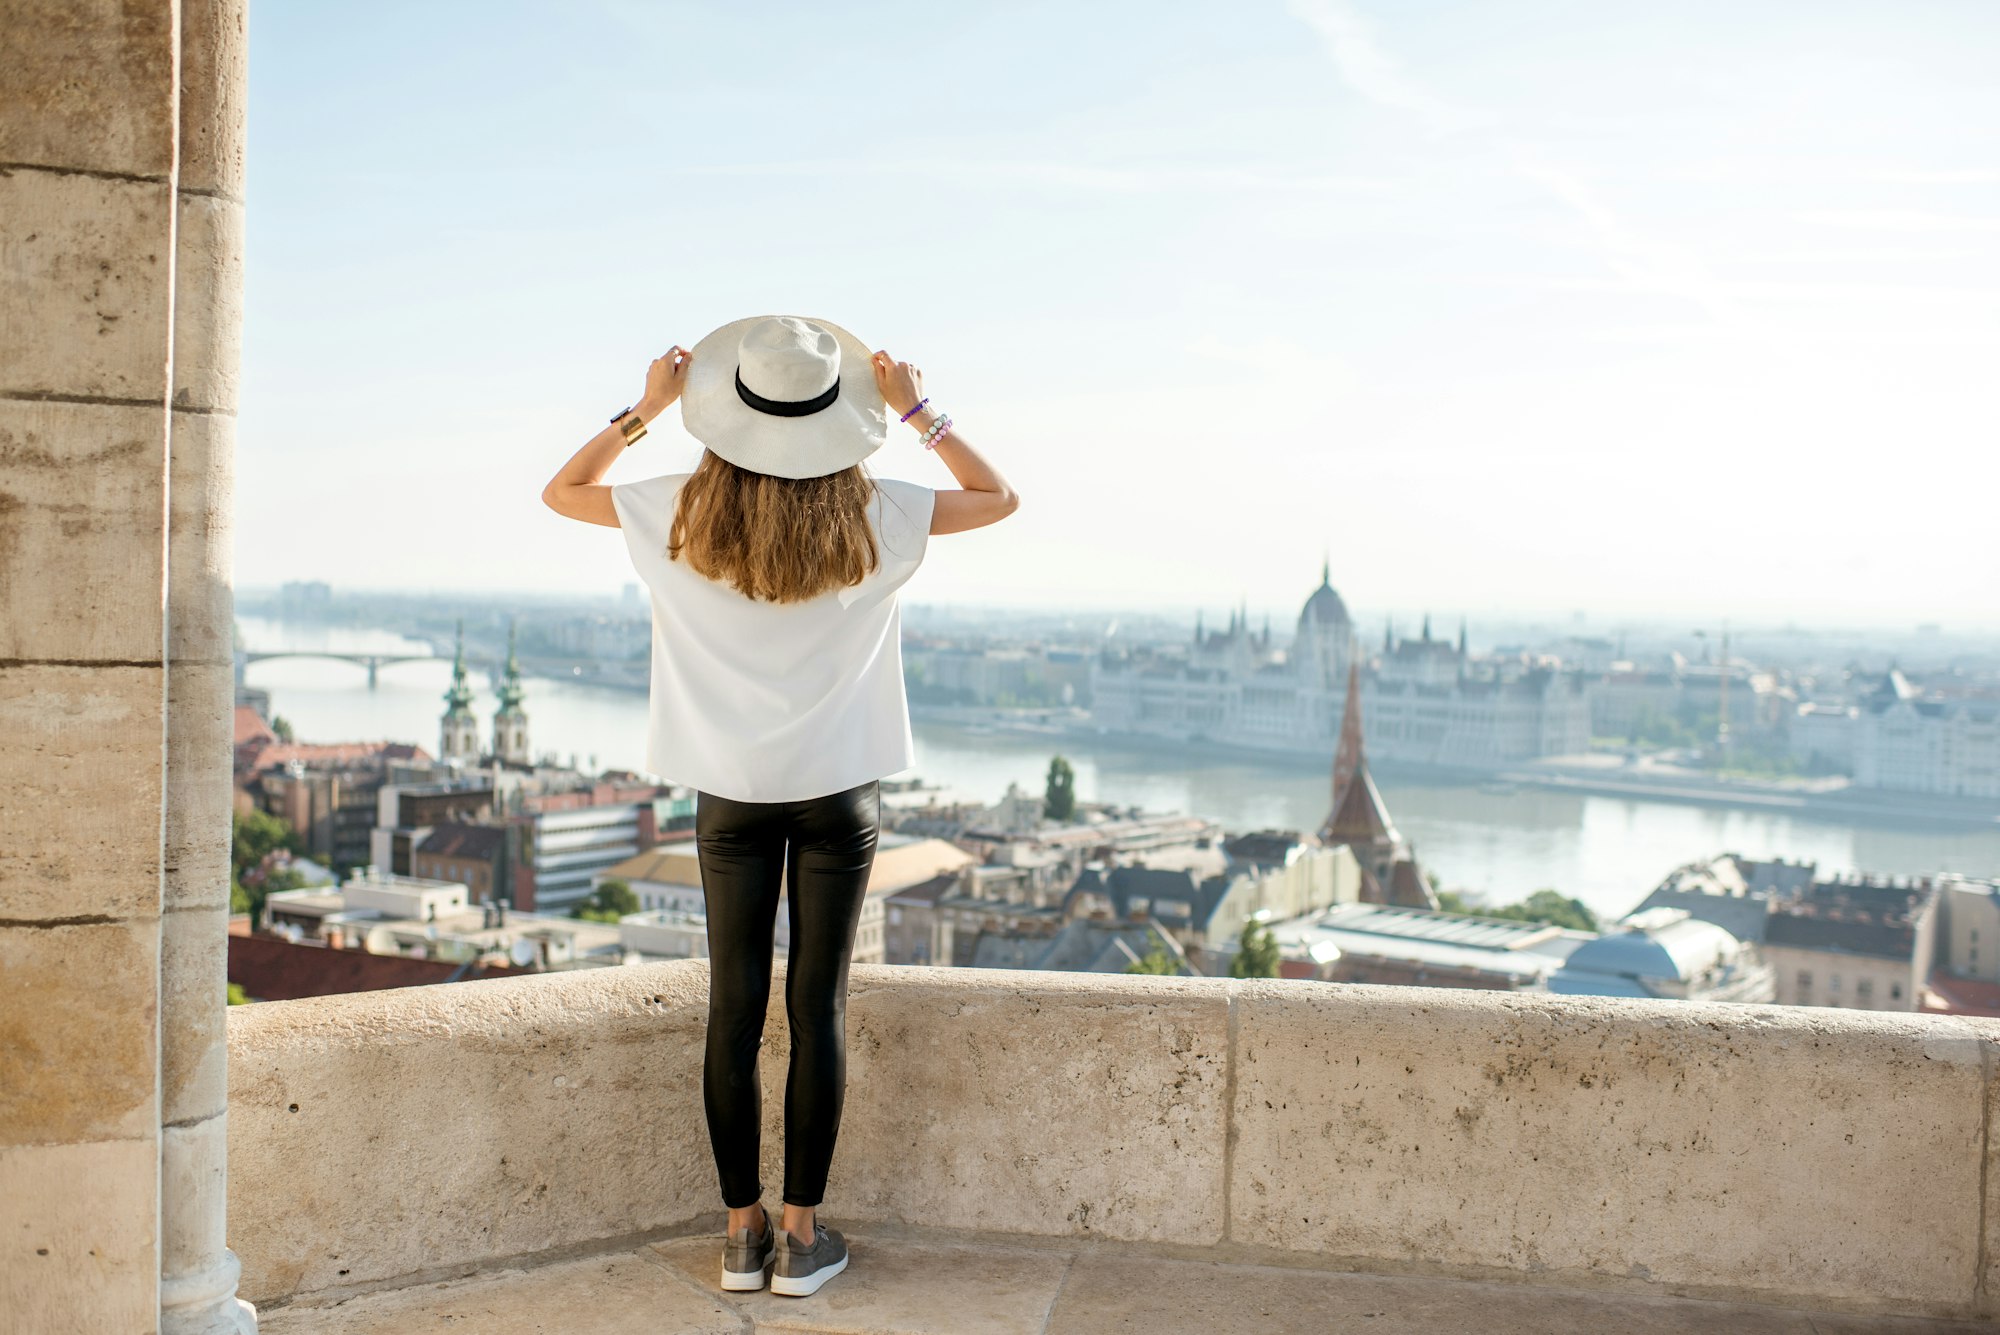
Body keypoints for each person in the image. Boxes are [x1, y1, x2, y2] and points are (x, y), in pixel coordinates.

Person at [540, 314, 1020, 1298]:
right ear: (839, 422)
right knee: (817, 1010)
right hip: (837, 793)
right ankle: (802, 1239)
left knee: (731, 1010)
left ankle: (736, 1234)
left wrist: (645, 410)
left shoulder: (674, 510)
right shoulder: (880, 511)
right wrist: (916, 409)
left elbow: (561, 492)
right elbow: (996, 496)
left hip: (729, 798)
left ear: (727, 416)